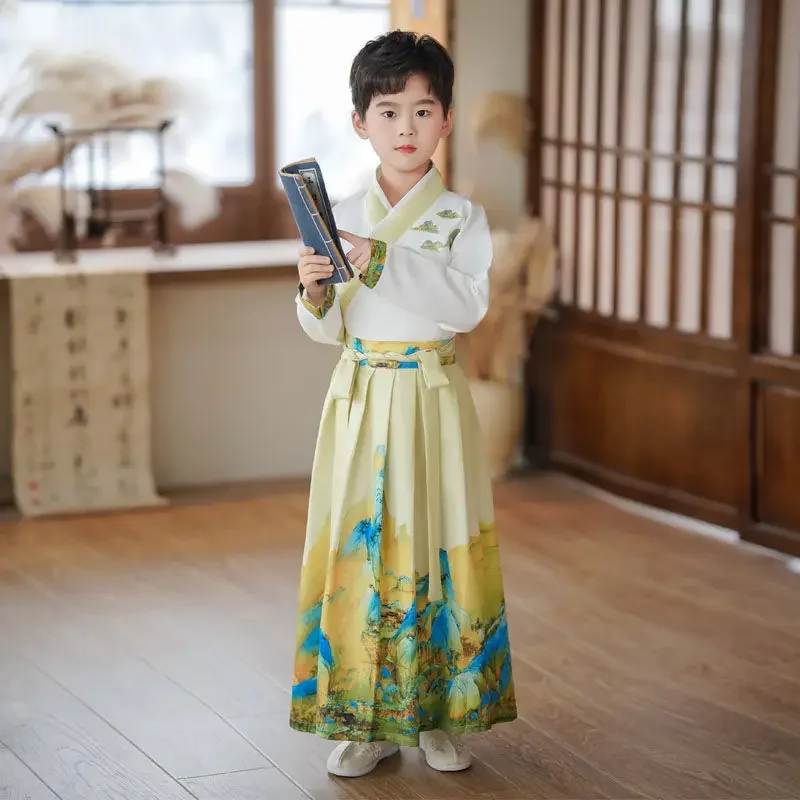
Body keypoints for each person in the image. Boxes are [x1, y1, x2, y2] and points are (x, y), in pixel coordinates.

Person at [290, 29, 517, 779]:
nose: (406, 128)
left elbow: (466, 308)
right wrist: (314, 292)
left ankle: (444, 716)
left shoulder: (461, 217)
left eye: (422, 111)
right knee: (361, 549)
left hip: (430, 394)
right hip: (359, 394)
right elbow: (327, 328)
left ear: (445, 119)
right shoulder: (336, 210)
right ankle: (365, 721)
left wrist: (379, 256)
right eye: (387, 112)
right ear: (361, 122)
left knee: (443, 542)